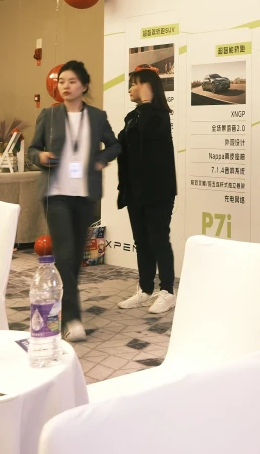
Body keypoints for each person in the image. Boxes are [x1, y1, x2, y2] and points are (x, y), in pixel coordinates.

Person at [27, 61, 119, 343]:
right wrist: (41, 157)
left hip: (84, 195)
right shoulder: (49, 115)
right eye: (62, 81)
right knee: (65, 255)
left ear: (84, 85)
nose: (65, 86)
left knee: (74, 258)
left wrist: (101, 159)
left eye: (72, 81)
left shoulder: (97, 117)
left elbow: (115, 145)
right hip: (56, 193)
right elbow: (32, 149)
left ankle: (62, 304)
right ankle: (71, 318)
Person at [116, 68, 178, 313]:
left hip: (158, 190)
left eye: (134, 84)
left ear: (146, 86)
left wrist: (146, 102)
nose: (130, 89)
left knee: (158, 238)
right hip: (135, 190)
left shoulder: (159, 117)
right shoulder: (132, 116)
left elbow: (147, 131)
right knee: (141, 241)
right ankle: (145, 288)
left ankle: (167, 291)